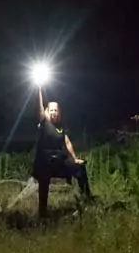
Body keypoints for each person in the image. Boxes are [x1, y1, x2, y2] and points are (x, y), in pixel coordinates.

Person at [32, 86, 94, 217]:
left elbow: (67, 143)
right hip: (44, 163)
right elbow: (39, 109)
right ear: (47, 112)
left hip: (59, 162)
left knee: (80, 168)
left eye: (56, 110)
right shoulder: (44, 123)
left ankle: (86, 199)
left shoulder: (61, 127)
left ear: (59, 112)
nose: (54, 112)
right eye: (51, 110)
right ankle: (42, 212)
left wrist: (74, 158)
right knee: (44, 180)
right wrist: (39, 89)